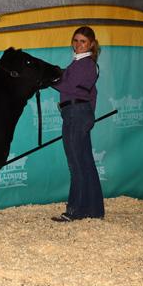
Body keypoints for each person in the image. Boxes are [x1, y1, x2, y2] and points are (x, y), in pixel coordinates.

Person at [51, 26, 104, 222]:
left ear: (91, 44)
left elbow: (67, 85)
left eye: (83, 41)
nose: (78, 44)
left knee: (76, 164)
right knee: (85, 162)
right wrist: (89, 115)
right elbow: (92, 94)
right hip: (79, 114)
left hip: (75, 114)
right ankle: (94, 209)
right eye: (75, 40)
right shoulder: (83, 63)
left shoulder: (85, 64)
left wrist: (47, 78)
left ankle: (76, 210)